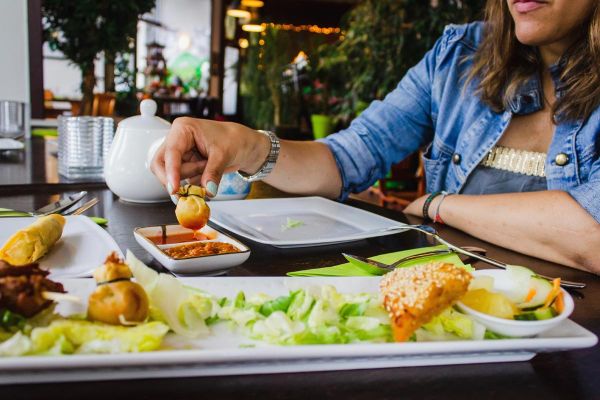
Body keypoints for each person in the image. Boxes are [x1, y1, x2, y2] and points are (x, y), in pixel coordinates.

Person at [151, 0, 600, 274]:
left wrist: (437, 205)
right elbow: (347, 158)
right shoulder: (458, 58)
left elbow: (591, 238)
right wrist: (246, 145)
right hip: (459, 312)